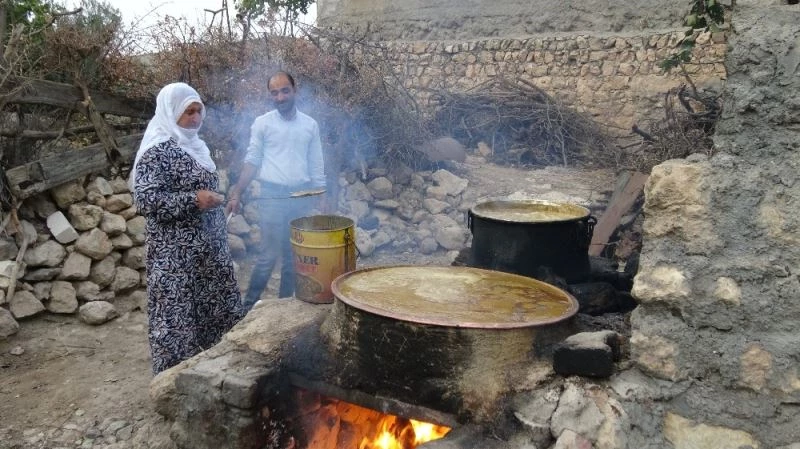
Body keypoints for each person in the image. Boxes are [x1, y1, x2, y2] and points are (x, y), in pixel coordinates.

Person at [132, 82, 243, 374]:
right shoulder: (156, 150)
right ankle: (175, 380)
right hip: (176, 254)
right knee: (178, 315)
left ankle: (215, 367)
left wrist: (223, 200)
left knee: (214, 308)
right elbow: (145, 200)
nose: (195, 118)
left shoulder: (197, 145)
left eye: (198, 111)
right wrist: (193, 200)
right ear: (171, 112)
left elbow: (206, 189)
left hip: (208, 248)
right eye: (188, 112)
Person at [225, 71, 326, 309]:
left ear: (294, 90)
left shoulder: (310, 125)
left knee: (294, 257)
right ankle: (247, 309)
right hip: (272, 196)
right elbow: (252, 160)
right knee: (268, 256)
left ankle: (284, 308)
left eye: (284, 91)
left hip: (301, 197)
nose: (280, 97)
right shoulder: (262, 123)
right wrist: (237, 192)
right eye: (274, 93)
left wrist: (322, 194)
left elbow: (316, 163)